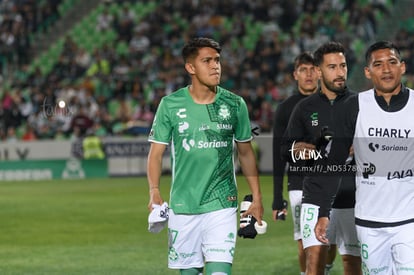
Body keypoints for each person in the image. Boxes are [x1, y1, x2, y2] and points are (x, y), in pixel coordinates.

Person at [146, 37, 264, 275]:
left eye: (218, 60)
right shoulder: (170, 104)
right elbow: (156, 153)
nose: (215, 66)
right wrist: (154, 191)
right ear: (190, 67)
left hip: (222, 203)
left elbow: (245, 152)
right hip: (183, 206)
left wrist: (257, 197)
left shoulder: (234, 104)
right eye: (207, 61)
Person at [281, 41, 354, 275]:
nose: (340, 72)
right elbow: (286, 150)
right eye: (332, 67)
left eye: (343, 65)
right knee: (314, 265)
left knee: (352, 266)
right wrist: (297, 149)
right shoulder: (305, 108)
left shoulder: (360, 104)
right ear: (320, 71)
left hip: (351, 196)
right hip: (314, 195)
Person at [344, 40, 414, 274]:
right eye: (379, 64)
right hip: (369, 221)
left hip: (409, 220)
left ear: (402, 67)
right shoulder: (354, 105)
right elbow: (334, 155)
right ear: (368, 71)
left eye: (392, 62)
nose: (386, 69)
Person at [272, 52, 330, 275]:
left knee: (329, 242)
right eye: (303, 70)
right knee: (305, 240)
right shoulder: (285, 109)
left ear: (319, 72)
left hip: (328, 181)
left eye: (312, 69)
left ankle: (325, 264)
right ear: (295, 74)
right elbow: (278, 154)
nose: (308, 74)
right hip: (298, 183)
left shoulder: (331, 103)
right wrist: (278, 198)